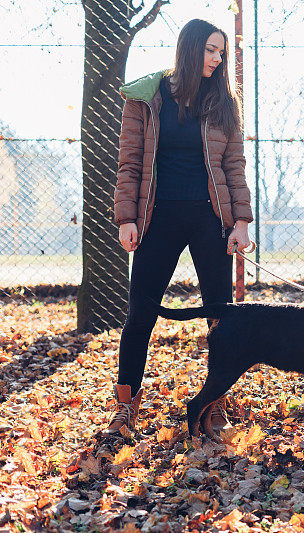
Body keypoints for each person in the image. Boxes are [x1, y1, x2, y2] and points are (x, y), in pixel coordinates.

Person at [104, 18, 253, 436]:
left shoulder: (225, 102)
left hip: (210, 220)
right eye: (210, 49)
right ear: (189, 48)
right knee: (140, 317)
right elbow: (130, 163)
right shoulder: (147, 98)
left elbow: (234, 166)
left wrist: (240, 222)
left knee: (221, 318)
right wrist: (126, 219)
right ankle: (125, 405)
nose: (217, 58)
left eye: (221, 51)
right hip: (158, 219)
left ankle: (215, 403)